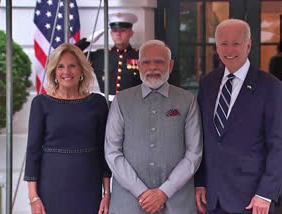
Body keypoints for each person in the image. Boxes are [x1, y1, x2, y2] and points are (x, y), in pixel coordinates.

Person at [105, 39, 203, 214]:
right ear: (139, 65)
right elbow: (112, 151)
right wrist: (141, 192)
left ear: (170, 65)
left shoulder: (187, 100)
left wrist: (164, 192)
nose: (152, 68)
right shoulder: (122, 100)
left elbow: (194, 153)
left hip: (176, 202)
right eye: (146, 62)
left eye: (159, 61)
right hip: (129, 203)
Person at [195, 19, 282, 214]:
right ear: (217, 47)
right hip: (212, 198)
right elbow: (202, 138)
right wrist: (199, 182)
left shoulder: (271, 87)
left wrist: (266, 193)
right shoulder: (208, 83)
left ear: (248, 45)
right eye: (223, 43)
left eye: (236, 43)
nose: (229, 50)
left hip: (251, 200)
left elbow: (278, 145)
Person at [24, 43, 111, 214]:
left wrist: (107, 193)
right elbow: (33, 151)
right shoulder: (41, 103)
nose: (66, 71)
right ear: (54, 72)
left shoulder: (98, 103)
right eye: (61, 66)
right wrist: (33, 197)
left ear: (81, 69)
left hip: (88, 186)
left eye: (72, 65)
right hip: (51, 186)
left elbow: (104, 151)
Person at [76, 12, 141, 100]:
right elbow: (72, 53)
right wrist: (88, 40)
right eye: (115, 30)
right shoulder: (100, 55)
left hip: (132, 104)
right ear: (110, 33)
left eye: (122, 30)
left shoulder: (140, 56)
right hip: (106, 105)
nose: (118, 34)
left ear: (131, 33)